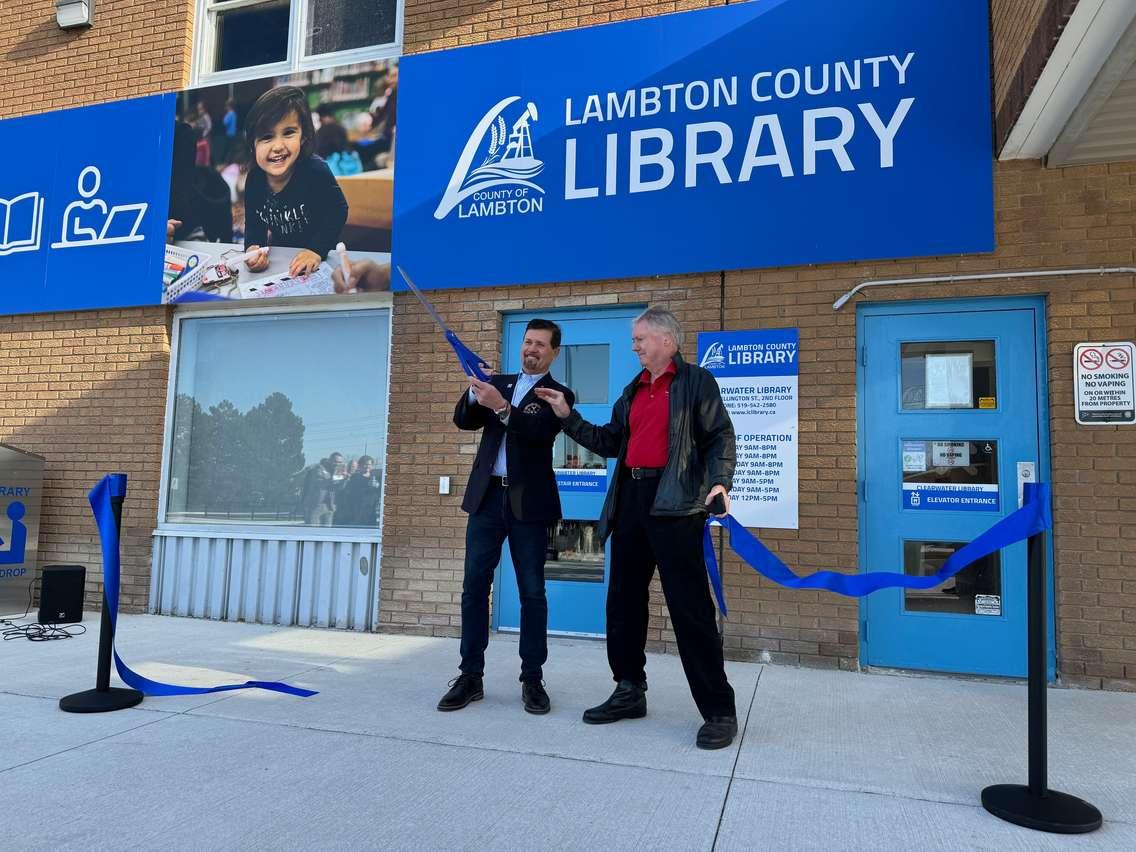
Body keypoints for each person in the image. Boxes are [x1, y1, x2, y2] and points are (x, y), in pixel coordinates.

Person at [534, 306, 739, 750]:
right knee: (623, 602)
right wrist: (567, 415)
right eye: (633, 340)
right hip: (631, 499)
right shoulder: (632, 391)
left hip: (676, 504)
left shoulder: (695, 382)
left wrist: (720, 481)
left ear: (667, 339)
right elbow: (609, 442)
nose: (634, 346)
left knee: (691, 610)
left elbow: (719, 436)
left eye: (640, 338)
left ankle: (719, 709)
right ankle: (629, 689)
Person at [438, 319, 575, 716]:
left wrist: (501, 406)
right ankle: (470, 677)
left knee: (532, 592)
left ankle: (532, 679)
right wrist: (473, 390)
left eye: (540, 345)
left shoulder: (559, 394)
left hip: (528, 505)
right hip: (486, 500)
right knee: (473, 589)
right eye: (527, 342)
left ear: (554, 352)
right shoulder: (501, 383)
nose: (531, 349)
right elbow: (464, 421)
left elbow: (536, 433)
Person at [241, 86, 349, 279]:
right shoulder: (255, 179)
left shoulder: (316, 170)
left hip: (321, 258)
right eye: (266, 137)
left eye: (289, 132)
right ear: (252, 144)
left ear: (304, 136)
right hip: (281, 260)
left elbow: (338, 210)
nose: (278, 146)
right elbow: (254, 223)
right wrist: (253, 248)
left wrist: (316, 250)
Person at [334, 455, 382, 526]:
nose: (367, 466)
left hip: (371, 510)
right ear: (360, 465)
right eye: (365, 464)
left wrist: (378, 486)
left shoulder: (376, 477)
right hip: (358, 510)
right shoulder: (354, 477)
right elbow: (350, 492)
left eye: (369, 464)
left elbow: (381, 492)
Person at [301, 453, 343, 526]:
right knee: (312, 532)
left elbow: (338, 487)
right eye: (335, 461)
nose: (337, 464)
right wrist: (336, 477)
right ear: (329, 460)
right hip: (315, 505)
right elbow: (322, 481)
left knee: (326, 533)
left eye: (340, 462)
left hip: (330, 507)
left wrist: (345, 478)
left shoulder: (338, 471)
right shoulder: (319, 468)